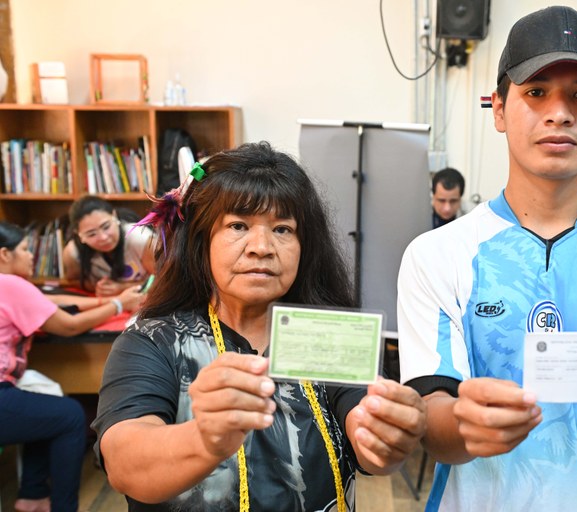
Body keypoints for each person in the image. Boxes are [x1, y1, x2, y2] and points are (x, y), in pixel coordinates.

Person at [396, 6, 577, 511]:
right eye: (536, 92)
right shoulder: (436, 255)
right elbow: (436, 423)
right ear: (497, 108)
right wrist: (462, 423)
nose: (559, 112)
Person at [91, 142, 427, 511]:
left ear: (305, 246)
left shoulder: (327, 335)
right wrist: (204, 439)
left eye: (283, 229)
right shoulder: (151, 341)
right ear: (201, 240)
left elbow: (371, 442)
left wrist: (385, 437)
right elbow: (124, 461)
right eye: (238, 226)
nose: (262, 247)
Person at [0, 221, 144, 512]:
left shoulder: (12, 286)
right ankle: (63, 506)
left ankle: (33, 494)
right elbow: (68, 325)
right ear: (5, 255)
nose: (31, 257)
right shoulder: (10, 284)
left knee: (46, 406)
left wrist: (112, 299)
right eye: (26, 250)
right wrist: (118, 306)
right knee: (69, 416)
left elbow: (51, 300)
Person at [62, 195, 155, 296]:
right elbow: (72, 281)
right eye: (91, 234)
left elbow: (166, 281)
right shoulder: (72, 252)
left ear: (114, 216)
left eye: (106, 227)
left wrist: (121, 288)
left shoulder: (140, 238)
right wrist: (98, 286)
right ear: (79, 235)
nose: (103, 237)